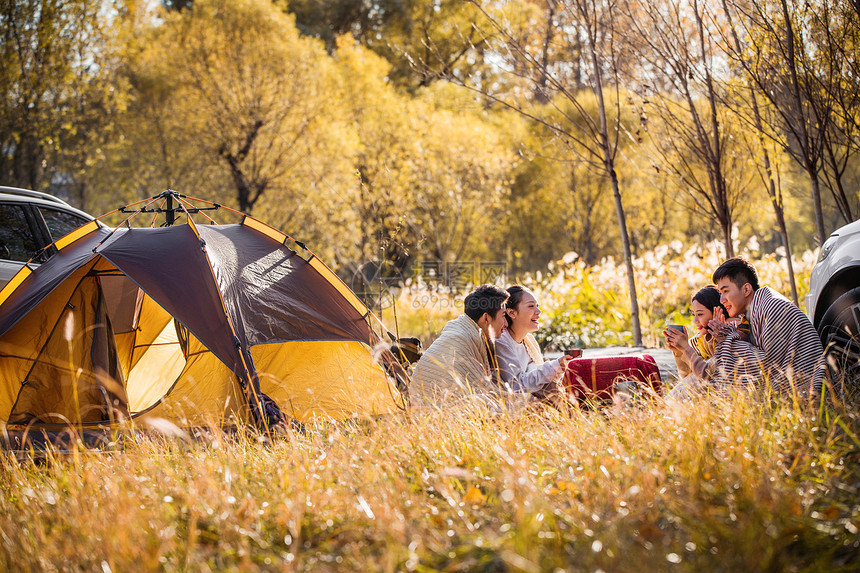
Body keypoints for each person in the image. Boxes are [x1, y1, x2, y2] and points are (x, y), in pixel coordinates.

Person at [707, 257, 825, 397]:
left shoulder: (773, 308)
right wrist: (727, 335)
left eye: (725, 291)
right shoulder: (755, 310)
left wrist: (727, 339)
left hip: (805, 390)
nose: (722, 300)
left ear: (746, 289)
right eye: (720, 293)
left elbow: (768, 366)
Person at [410, 284, 509, 407]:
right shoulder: (462, 339)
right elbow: (485, 392)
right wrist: (527, 400)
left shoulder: (466, 334)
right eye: (504, 316)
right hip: (432, 415)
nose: (506, 323)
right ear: (486, 318)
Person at [495, 285, 572, 398]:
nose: (538, 311)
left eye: (537, 306)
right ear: (511, 313)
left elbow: (538, 380)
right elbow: (516, 385)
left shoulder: (528, 340)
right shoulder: (501, 341)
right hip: (512, 403)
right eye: (531, 306)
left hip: (532, 399)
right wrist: (555, 367)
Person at [665, 285, 749, 382]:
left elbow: (708, 374)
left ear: (717, 311)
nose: (695, 321)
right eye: (693, 314)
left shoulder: (733, 328)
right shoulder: (701, 338)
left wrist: (714, 337)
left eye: (700, 314)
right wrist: (679, 352)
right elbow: (687, 377)